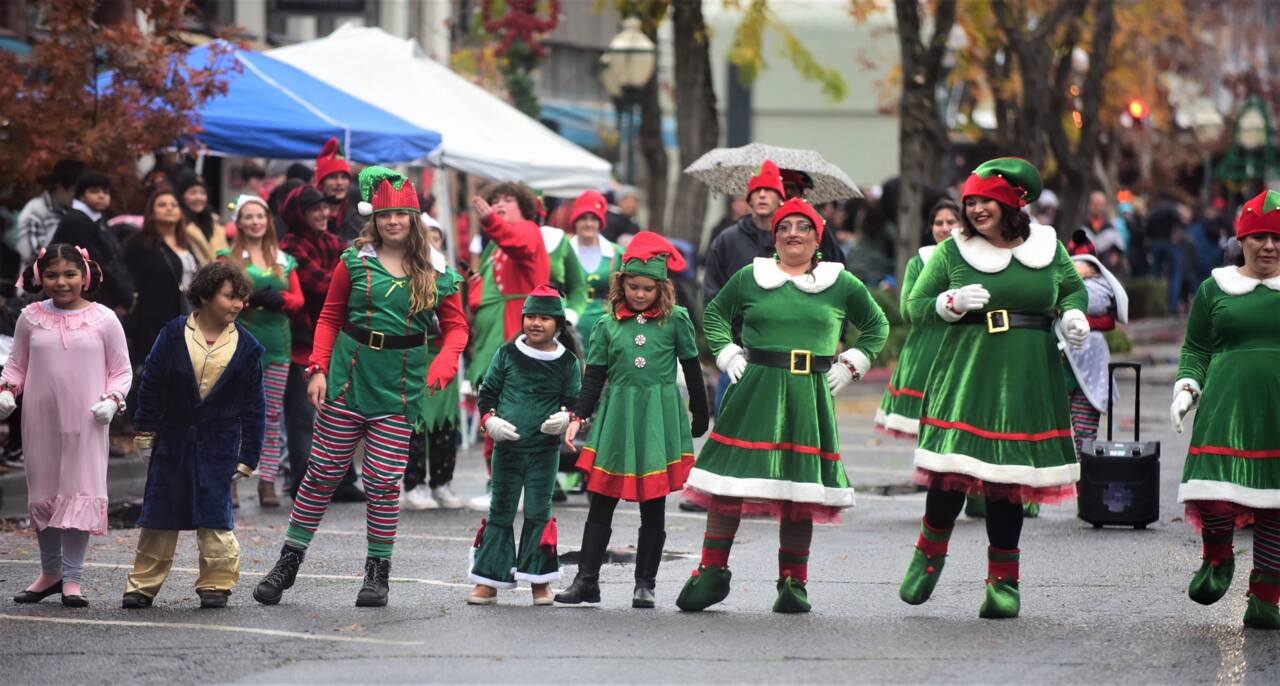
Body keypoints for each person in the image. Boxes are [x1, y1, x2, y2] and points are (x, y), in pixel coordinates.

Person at [253, 167, 468, 608]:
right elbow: (330, 317)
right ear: (375, 218)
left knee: (385, 483)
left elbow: (456, 328)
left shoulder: (436, 269)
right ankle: (287, 562)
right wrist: (317, 369)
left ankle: (377, 573)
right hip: (348, 381)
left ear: (413, 219)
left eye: (402, 215)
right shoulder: (355, 261)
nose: (393, 222)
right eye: (385, 215)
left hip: (400, 389)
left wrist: (441, 369)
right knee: (320, 476)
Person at [895, 158, 1088, 619]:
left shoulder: (1046, 245)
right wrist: (949, 302)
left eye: (986, 201)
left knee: (1008, 484)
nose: (976, 210)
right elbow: (914, 306)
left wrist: (1074, 314)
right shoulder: (953, 250)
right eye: (970, 202)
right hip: (968, 371)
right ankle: (929, 554)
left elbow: (1072, 290)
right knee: (951, 475)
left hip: (1028, 374)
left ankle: (1004, 583)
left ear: (1009, 205)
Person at [676, 198, 888, 613]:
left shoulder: (841, 283)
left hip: (809, 394)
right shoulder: (750, 277)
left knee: (798, 488)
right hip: (754, 388)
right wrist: (726, 353)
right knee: (728, 483)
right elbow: (716, 315)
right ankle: (712, 571)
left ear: (818, 237)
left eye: (803, 227)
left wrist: (852, 364)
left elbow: (877, 325)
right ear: (774, 238)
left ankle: (793, 582)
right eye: (784, 227)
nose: (793, 233)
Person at [556, 232, 709, 608]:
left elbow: (692, 366)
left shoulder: (676, 321)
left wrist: (701, 410)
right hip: (618, 413)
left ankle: (645, 584)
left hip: (658, 415)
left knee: (653, 501)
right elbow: (593, 377)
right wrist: (578, 415)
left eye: (648, 288)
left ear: (662, 287)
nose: (640, 294)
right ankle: (586, 580)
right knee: (602, 498)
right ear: (621, 283)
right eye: (633, 286)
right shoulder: (607, 325)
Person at [121, 262, 264, 609]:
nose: (238, 304)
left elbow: (255, 407)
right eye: (230, 296)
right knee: (159, 515)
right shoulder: (172, 333)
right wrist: (144, 430)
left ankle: (216, 584)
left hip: (218, 443)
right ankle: (142, 585)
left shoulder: (248, 347)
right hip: (173, 438)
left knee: (215, 517)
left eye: (242, 298)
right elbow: (150, 385)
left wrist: (248, 457)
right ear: (204, 295)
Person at [1169, 190, 1280, 630]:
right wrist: (1187, 386)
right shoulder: (1215, 288)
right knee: (1215, 493)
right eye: (1259, 238)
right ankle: (1218, 557)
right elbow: (1196, 347)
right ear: (1241, 241)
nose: (1268, 246)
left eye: (1277, 237)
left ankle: (1266, 596)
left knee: (1276, 504)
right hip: (1226, 406)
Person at [3, 245, 131, 607]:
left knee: (79, 493)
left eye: (70, 274)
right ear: (40, 277)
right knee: (43, 491)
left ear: (85, 276)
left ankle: (72, 579)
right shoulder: (29, 317)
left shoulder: (104, 318)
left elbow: (122, 369)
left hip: (87, 420)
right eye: (53, 275)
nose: (61, 282)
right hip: (40, 419)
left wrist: (113, 400)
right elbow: (16, 364)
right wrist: (7, 390)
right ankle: (50, 573)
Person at [466, 286, 581, 605]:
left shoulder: (567, 361)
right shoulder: (506, 353)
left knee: (538, 512)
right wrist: (490, 421)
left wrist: (566, 417)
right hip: (507, 448)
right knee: (500, 510)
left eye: (544, 317)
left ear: (558, 324)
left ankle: (539, 581)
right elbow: (487, 392)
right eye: (530, 316)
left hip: (544, 452)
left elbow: (577, 402)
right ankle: (488, 579)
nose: (536, 323)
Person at [465, 183, 552, 511]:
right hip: (494, 339)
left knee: (510, 413)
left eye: (507, 200)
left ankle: (504, 490)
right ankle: (500, 487)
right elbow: (481, 294)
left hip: (514, 334)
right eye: (495, 200)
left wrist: (491, 222)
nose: (499, 204)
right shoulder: (494, 246)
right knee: (497, 412)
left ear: (525, 208)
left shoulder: (526, 230)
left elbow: (518, 245)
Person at [218, 195, 304, 508]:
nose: (255, 222)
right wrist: (248, 300)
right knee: (234, 414)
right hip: (237, 345)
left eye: (260, 216)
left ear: (268, 222)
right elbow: (219, 298)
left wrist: (281, 299)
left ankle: (268, 480)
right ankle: (232, 481)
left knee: (270, 415)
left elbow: (299, 300)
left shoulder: (284, 259)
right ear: (239, 222)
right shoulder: (226, 259)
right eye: (249, 216)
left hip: (278, 345)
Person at [277, 184, 361, 503]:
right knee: (301, 414)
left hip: (336, 340)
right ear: (299, 214)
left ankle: (341, 481)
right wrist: (344, 278)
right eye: (314, 209)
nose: (323, 213)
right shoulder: (290, 246)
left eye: (324, 208)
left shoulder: (331, 241)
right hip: (301, 342)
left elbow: (350, 274)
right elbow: (322, 284)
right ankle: (301, 481)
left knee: (339, 412)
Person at [876, 199, 960, 439]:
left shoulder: (976, 260)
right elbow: (908, 311)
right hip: (926, 348)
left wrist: (926, 301)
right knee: (928, 425)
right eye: (938, 223)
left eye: (951, 222)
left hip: (963, 344)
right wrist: (946, 304)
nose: (944, 228)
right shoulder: (919, 262)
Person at [402, 217, 465, 510]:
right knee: (415, 424)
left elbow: (459, 320)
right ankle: (414, 484)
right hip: (416, 355)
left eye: (436, 237)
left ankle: (442, 482)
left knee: (445, 425)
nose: (430, 242)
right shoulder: (403, 271)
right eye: (425, 236)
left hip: (443, 356)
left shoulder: (447, 275)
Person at [1061, 230, 1128, 462]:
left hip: (1089, 370)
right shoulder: (1057, 284)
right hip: (1059, 369)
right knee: (1052, 438)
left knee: (1085, 439)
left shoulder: (1101, 288)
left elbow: (1104, 315)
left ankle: (1086, 495)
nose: (1079, 267)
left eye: (1084, 263)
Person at [123, 192, 202, 375]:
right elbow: (132, 282)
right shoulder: (140, 243)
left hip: (187, 315)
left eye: (174, 205)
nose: (169, 208)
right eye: (162, 205)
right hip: (153, 321)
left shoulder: (185, 243)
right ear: (151, 213)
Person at [49, 171, 136, 313]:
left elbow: (117, 261)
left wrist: (128, 294)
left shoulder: (97, 220)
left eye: (106, 192)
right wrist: (124, 298)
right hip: (79, 302)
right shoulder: (76, 221)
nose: (101, 196)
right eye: (94, 191)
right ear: (81, 195)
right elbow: (96, 264)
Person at [16, 159, 83, 265]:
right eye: (74, 191)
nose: (78, 196)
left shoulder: (72, 212)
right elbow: (31, 254)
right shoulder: (36, 210)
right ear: (60, 187)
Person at [313, 137, 363, 244]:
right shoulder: (311, 221)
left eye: (344, 177)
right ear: (320, 184)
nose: (340, 182)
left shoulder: (358, 222)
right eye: (333, 177)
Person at [174, 171, 227, 263]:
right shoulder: (178, 225)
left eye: (203, 193)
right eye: (193, 193)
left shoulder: (215, 224)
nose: (199, 197)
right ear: (182, 197)